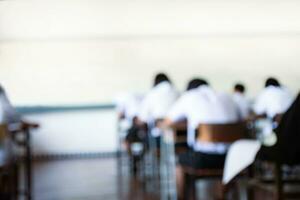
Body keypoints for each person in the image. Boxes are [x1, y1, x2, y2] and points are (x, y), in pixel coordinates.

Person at [164, 79, 241, 199]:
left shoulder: (189, 96)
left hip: (203, 158)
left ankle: (182, 197)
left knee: (179, 161)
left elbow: (167, 121)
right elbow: (241, 120)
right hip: (232, 159)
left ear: (189, 88)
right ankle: (222, 195)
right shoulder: (227, 96)